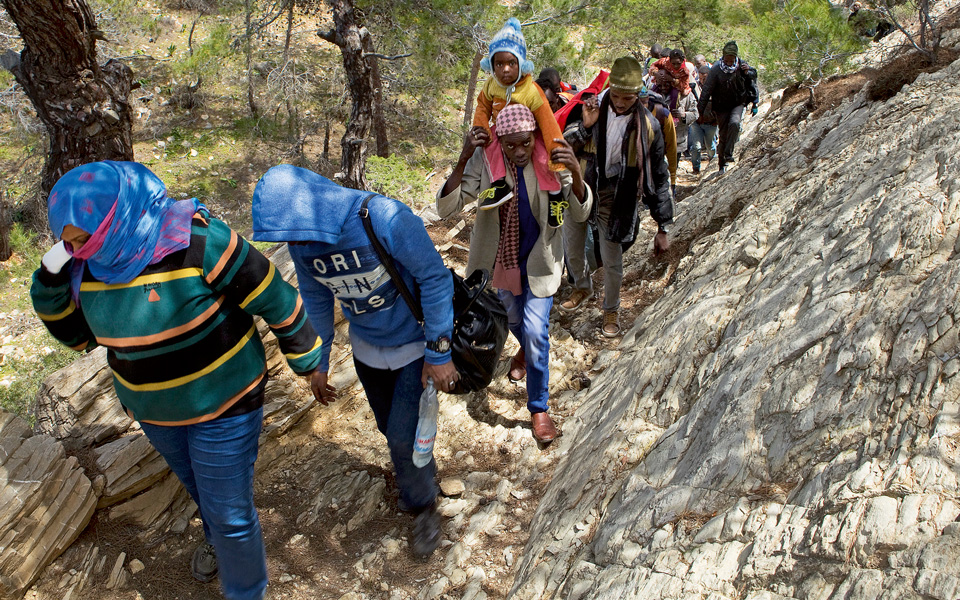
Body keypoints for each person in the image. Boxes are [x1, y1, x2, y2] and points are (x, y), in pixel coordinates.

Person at [31, 161, 326, 600]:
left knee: (230, 511)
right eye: (66, 241)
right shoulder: (86, 265)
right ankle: (215, 536)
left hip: (225, 402)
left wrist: (309, 362)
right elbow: (76, 337)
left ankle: (246, 589)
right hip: (154, 410)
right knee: (198, 486)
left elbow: (275, 296)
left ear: (116, 216)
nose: (76, 248)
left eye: (80, 238)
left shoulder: (199, 241)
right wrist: (50, 271)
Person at [250, 164, 455, 559]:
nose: (294, 241)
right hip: (367, 350)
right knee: (389, 427)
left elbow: (434, 278)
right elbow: (317, 299)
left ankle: (424, 505)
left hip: (414, 345)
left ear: (311, 209)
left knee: (401, 434)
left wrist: (439, 350)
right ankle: (415, 474)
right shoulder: (304, 241)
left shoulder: (381, 218)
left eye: (294, 232)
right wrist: (319, 360)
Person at [437, 103, 592, 442]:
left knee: (535, 332)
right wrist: (464, 158)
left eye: (525, 142)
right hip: (499, 266)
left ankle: (538, 409)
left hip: (540, 263)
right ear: (501, 141)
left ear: (534, 135)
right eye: (511, 145)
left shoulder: (551, 157)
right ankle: (527, 351)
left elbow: (579, 213)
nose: (519, 151)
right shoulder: (487, 159)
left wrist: (576, 173)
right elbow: (446, 207)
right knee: (513, 324)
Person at [558, 57, 673, 338]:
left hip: (617, 194)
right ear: (610, 89)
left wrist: (663, 225)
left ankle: (611, 308)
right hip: (581, 186)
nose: (621, 103)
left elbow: (658, 175)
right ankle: (582, 286)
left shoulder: (648, 127)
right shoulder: (590, 106)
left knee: (612, 258)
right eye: (617, 96)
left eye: (628, 97)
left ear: (638, 95)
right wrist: (586, 126)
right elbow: (562, 144)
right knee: (572, 248)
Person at [472, 17, 566, 205]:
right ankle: (499, 185)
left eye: (511, 63)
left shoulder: (530, 89)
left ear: (521, 64)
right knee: (490, 148)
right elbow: (482, 106)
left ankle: (555, 195)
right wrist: (481, 127)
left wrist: (556, 149)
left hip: (526, 134)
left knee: (541, 157)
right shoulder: (491, 85)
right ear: (491, 65)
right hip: (501, 132)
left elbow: (547, 120)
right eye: (499, 64)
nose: (505, 70)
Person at [697, 41, 759, 174]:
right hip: (721, 107)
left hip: (738, 103)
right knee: (723, 134)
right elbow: (706, 91)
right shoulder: (716, 70)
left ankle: (729, 153)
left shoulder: (742, 66)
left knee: (735, 124)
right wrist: (700, 111)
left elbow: (752, 81)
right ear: (723, 57)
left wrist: (755, 102)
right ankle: (722, 162)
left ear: (735, 57)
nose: (730, 62)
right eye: (727, 59)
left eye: (732, 60)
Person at [689, 64, 719, 174]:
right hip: (696, 122)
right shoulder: (694, 88)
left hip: (711, 122)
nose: (702, 81)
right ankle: (696, 168)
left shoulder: (716, 88)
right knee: (696, 146)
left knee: (710, 147)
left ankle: (713, 165)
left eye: (705, 78)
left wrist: (716, 120)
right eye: (700, 78)